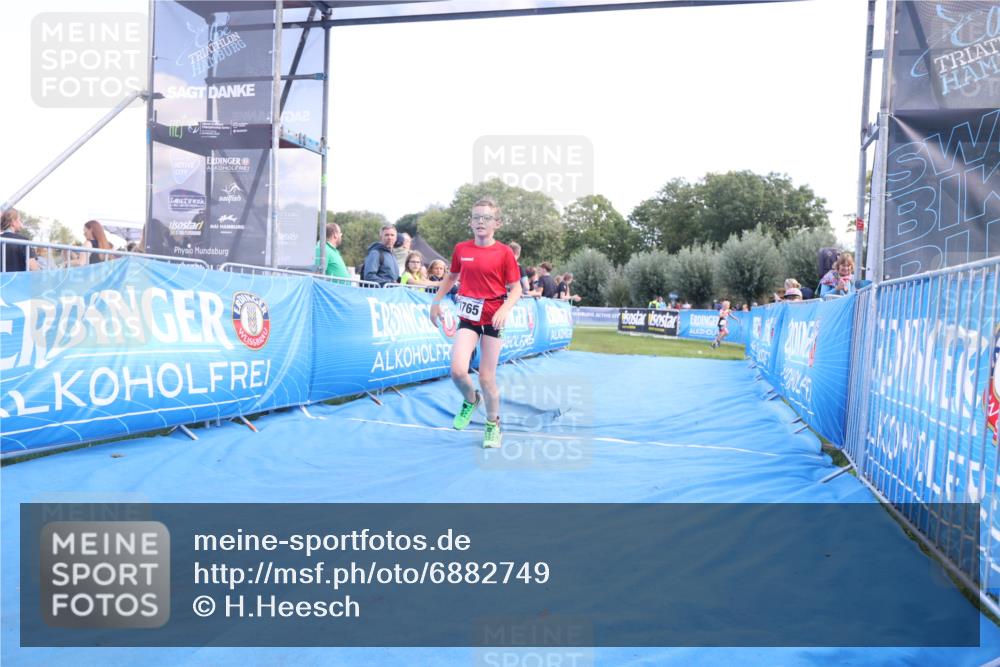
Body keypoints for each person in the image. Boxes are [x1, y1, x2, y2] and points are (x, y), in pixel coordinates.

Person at [429, 197, 522, 449]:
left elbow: (516, 289)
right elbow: (451, 277)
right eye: (476, 217)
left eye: (486, 218)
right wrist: (436, 302)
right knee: (458, 370)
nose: (481, 221)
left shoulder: (504, 253)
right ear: (470, 222)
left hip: (493, 318)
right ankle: (471, 400)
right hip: (468, 317)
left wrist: (505, 307)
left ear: (497, 223)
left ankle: (493, 423)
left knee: (486, 377)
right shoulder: (462, 249)